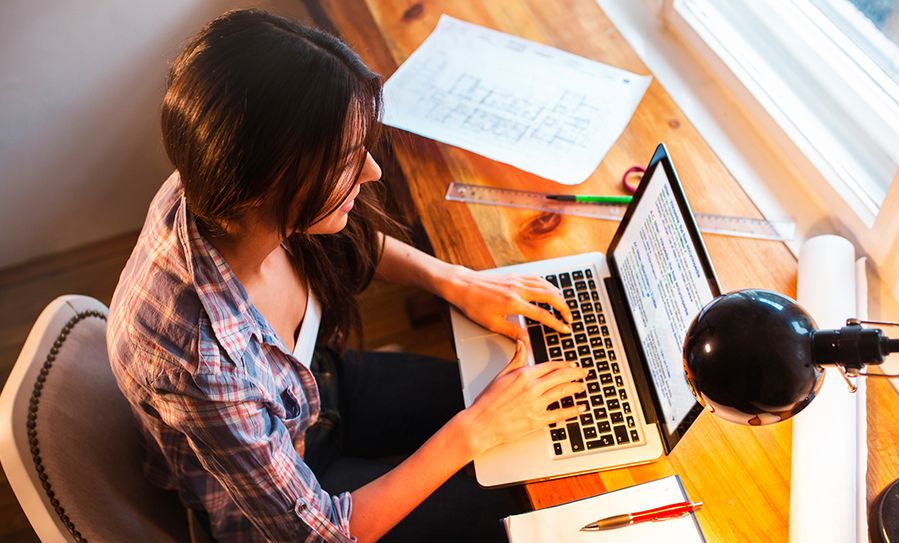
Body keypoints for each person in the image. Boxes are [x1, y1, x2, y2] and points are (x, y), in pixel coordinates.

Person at [107, 9, 587, 543]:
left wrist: (455, 281)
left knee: (549, 423)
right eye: (344, 160)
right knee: (520, 502)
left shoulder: (224, 179)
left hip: (320, 384)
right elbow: (321, 534)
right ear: (268, 181)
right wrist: (476, 431)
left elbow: (342, 236)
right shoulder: (202, 364)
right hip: (294, 490)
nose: (372, 171)